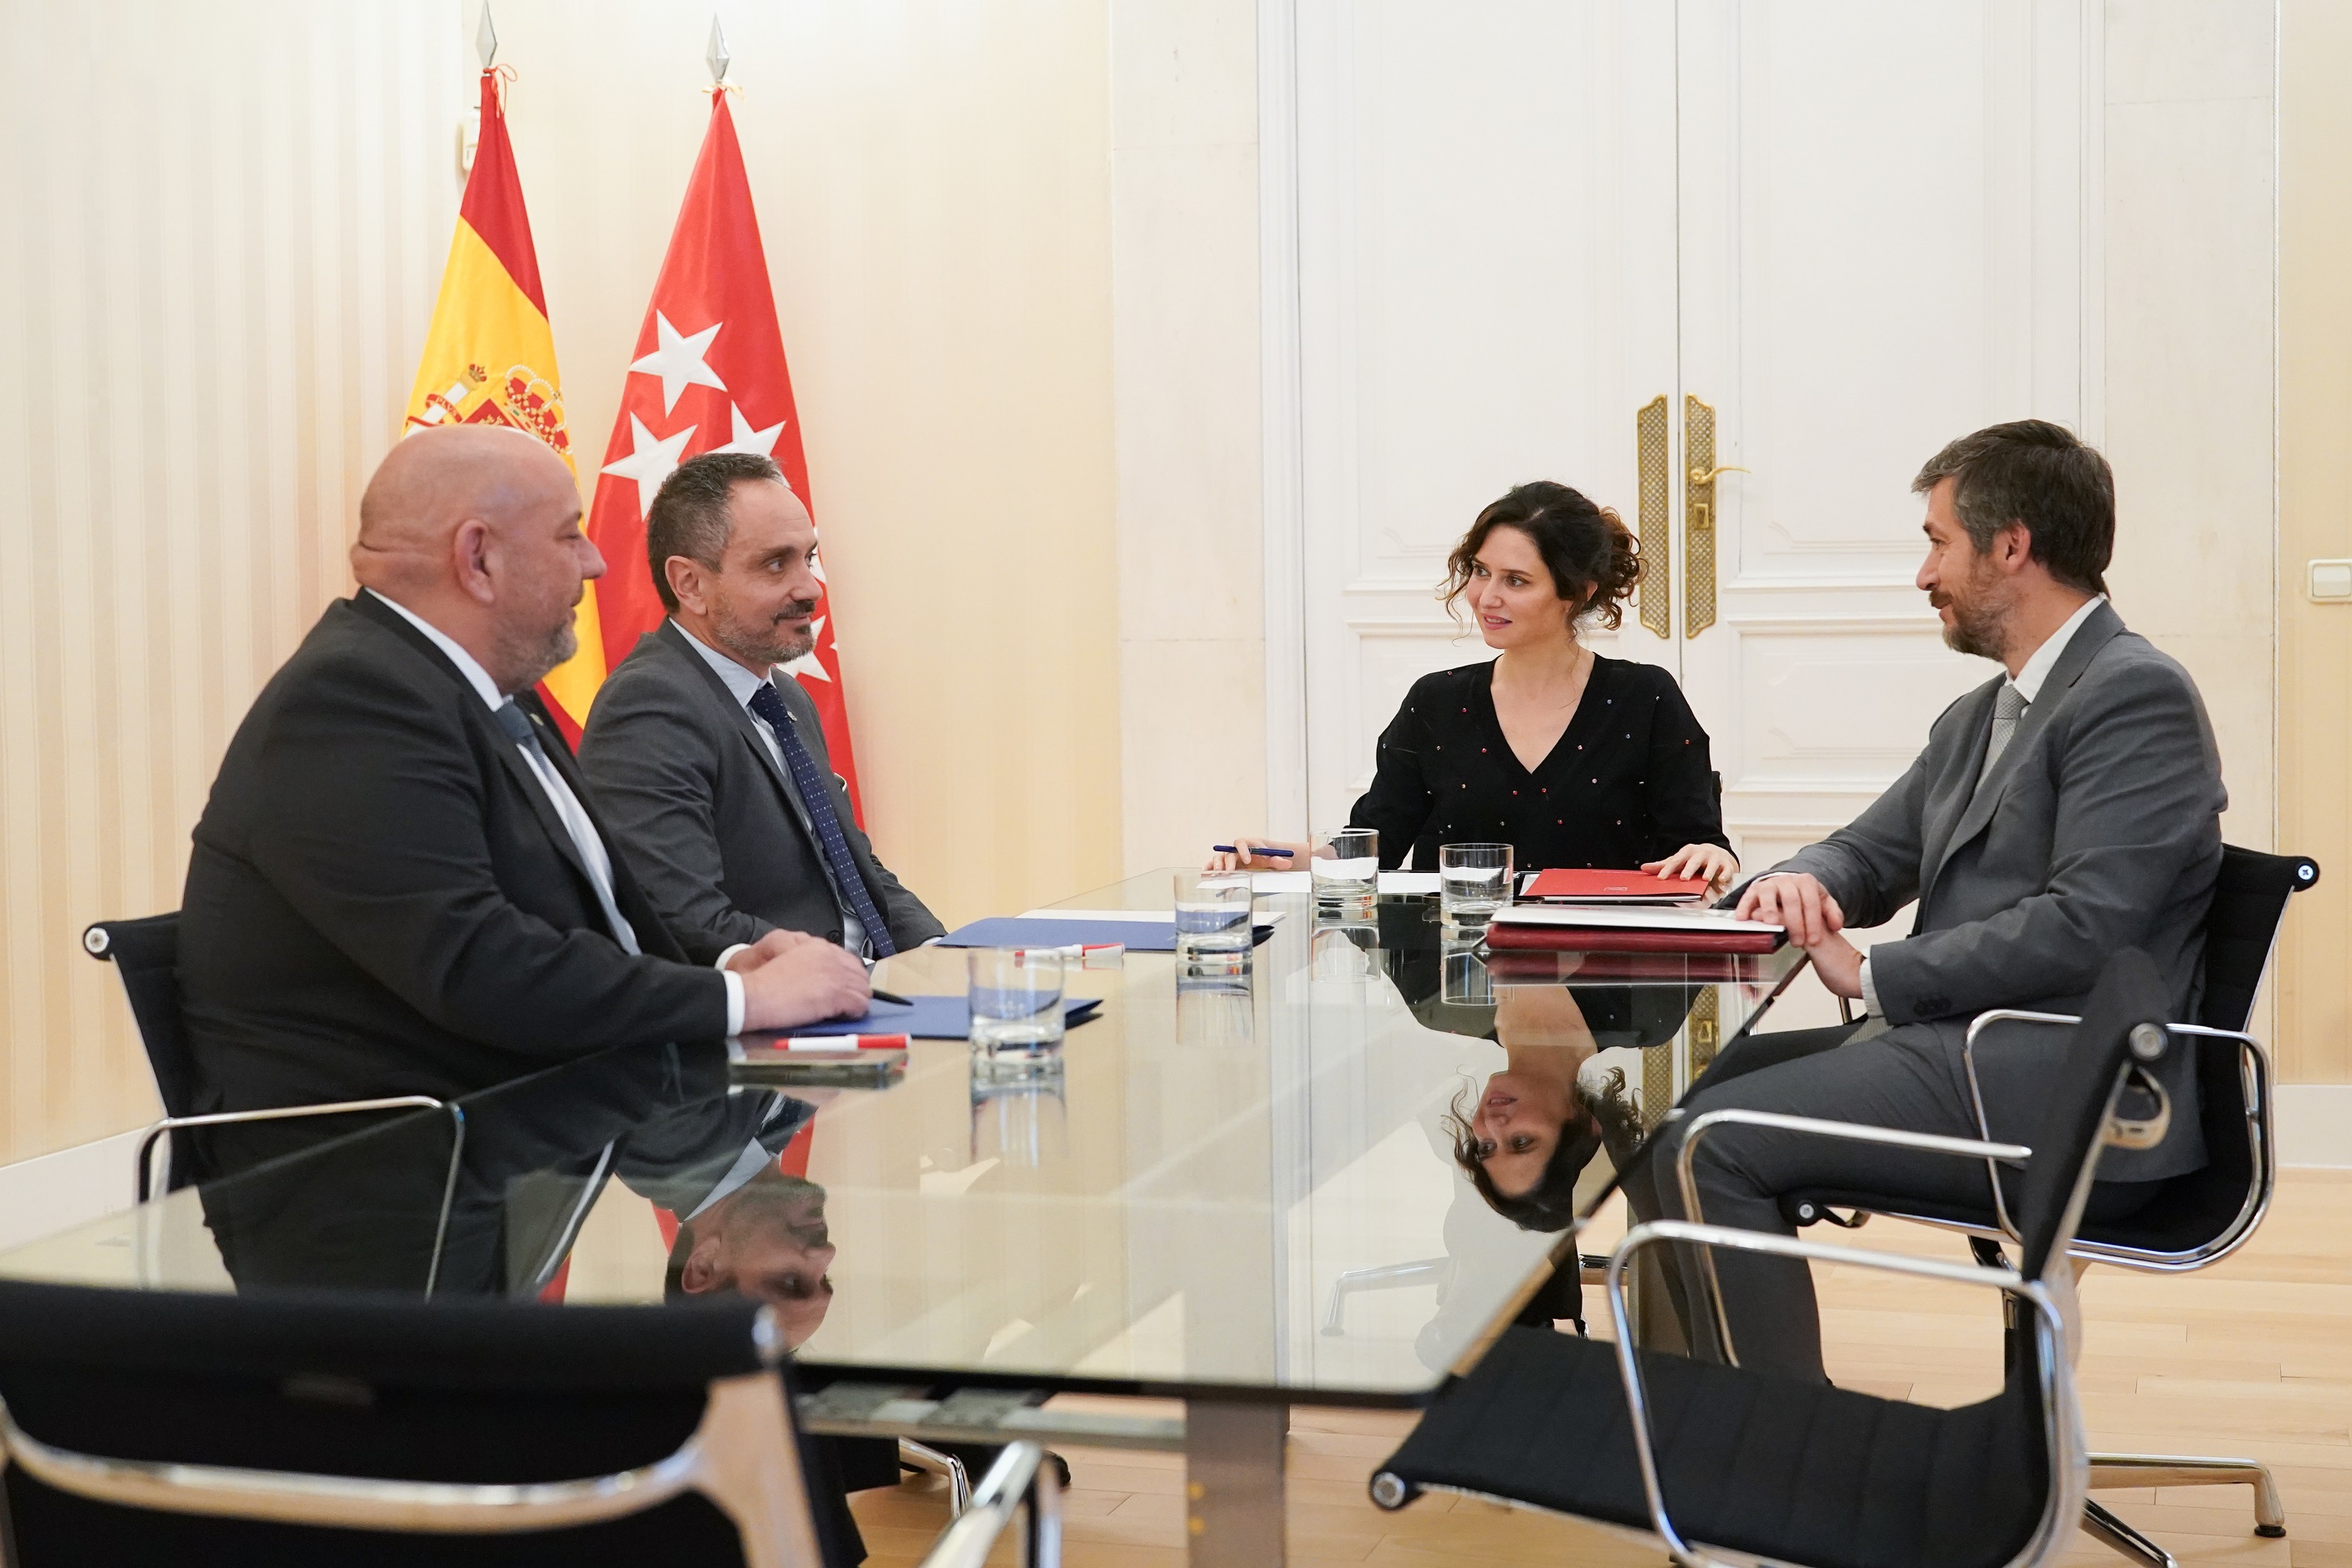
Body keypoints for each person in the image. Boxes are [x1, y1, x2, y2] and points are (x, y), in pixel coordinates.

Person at [1649, 419, 2226, 1381]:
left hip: (2065, 1080)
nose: (1924, 575)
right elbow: (1867, 852)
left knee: (1711, 1142)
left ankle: (1778, 1446)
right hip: (1967, 1049)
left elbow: (2089, 925)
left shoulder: (2134, 695)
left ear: (2011, 546)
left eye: (1937, 542)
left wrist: (1870, 971)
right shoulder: (1984, 712)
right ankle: (1703, 1412)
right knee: (1671, 1103)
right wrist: (1802, 882)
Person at [179, 426, 872, 1131]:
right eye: (569, 535)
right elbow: (479, 964)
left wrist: (735, 965)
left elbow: (587, 920)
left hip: (552, 1120)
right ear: (477, 558)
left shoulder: (484, 691)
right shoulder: (353, 702)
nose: (597, 562)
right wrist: (743, 1001)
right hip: (391, 1160)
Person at [1211, 481, 1736, 889]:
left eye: (1516, 580)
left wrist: (1713, 854)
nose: (1486, 597)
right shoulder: (1434, 702)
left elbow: (1699, 846)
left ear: (1576, 592)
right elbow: (1374, 846)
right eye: (1481, 572)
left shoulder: (1646, 698)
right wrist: (1276, 857)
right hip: (1457, 972)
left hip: (1607, 970)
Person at [578, 451, 942, 958]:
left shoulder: (784, 696)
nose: (811, 588)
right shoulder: (650, 705)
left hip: (870, 985)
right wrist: (841, 975)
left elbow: (854, 869)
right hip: (787, 996)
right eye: (775, 564)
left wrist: (940, 955)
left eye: (807, 558)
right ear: (690, 584)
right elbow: (683, 918)